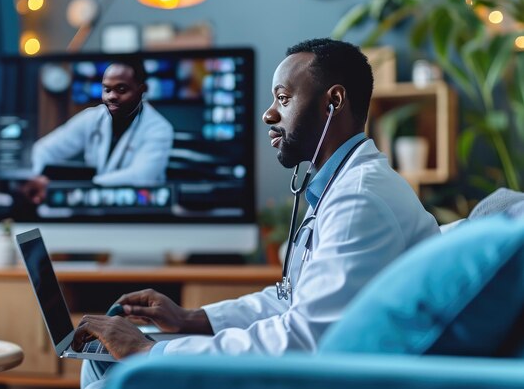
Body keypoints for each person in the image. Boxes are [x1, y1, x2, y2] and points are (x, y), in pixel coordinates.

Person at [72, 38, 440, 386]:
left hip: (329, 377)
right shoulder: (340, 189)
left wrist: (151, 351)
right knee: (99, 359)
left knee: (116, 371)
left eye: (283, 98)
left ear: (334, 101)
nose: (268, 114)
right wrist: (192, 319)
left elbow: (304, 338)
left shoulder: (359, 200)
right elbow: (292, 297)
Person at [23, 59, 174, 204]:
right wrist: (38, 177)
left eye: (121, 89)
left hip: (139, 213)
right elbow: (44, 149)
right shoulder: (93, 117)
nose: (112, 96)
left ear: (142, 90)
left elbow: (141, 178)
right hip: (93, 209)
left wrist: (85, 183)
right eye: (107, 89)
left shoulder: (159, 128)